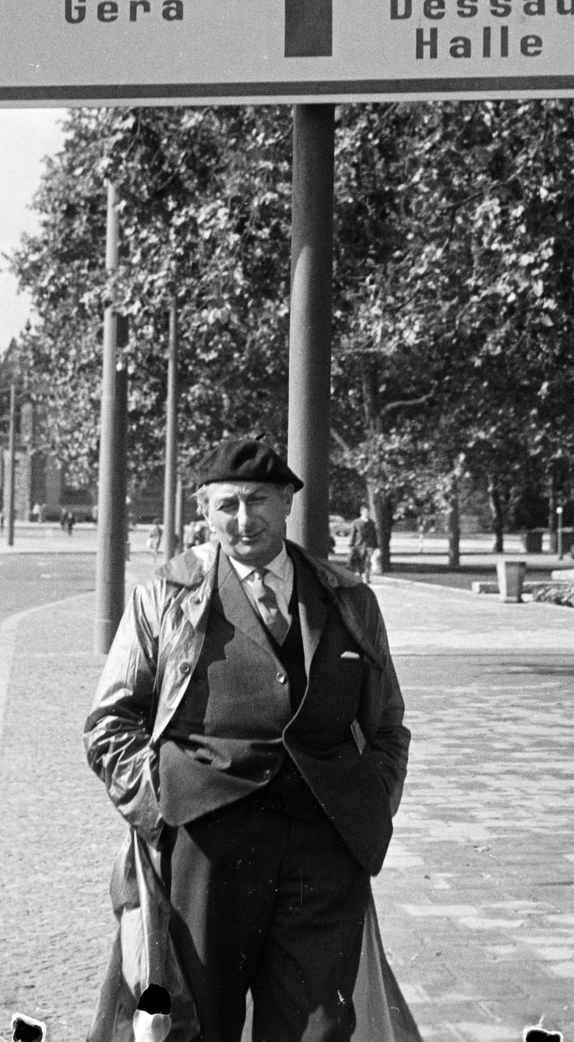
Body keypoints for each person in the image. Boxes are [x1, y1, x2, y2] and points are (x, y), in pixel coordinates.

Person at [84, 437, 411, 1042]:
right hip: (206, 852)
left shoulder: (350, 600)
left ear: (287, 502)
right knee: (196, 1025)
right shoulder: (166, 598)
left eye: (258, 500)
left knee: (320, 1025)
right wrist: (163, 808)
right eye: (227, 504)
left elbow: (388, 723)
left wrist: (371, 799)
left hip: (324, 846)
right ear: (204, 513)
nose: (243, 518)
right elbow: (109, 724)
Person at [347, 509, 379, 583]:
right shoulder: (356, 522)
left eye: (368, 512)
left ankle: (367, 577)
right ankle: (361, 575)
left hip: (369, 545)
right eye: (366, 512)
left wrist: (376, 546)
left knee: (368, 560)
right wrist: (351, 544)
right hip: (359, 544)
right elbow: (353, 534)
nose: (367, 513)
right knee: (360, 561)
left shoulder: (371, 522)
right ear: (361, 512)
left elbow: (374, 535)